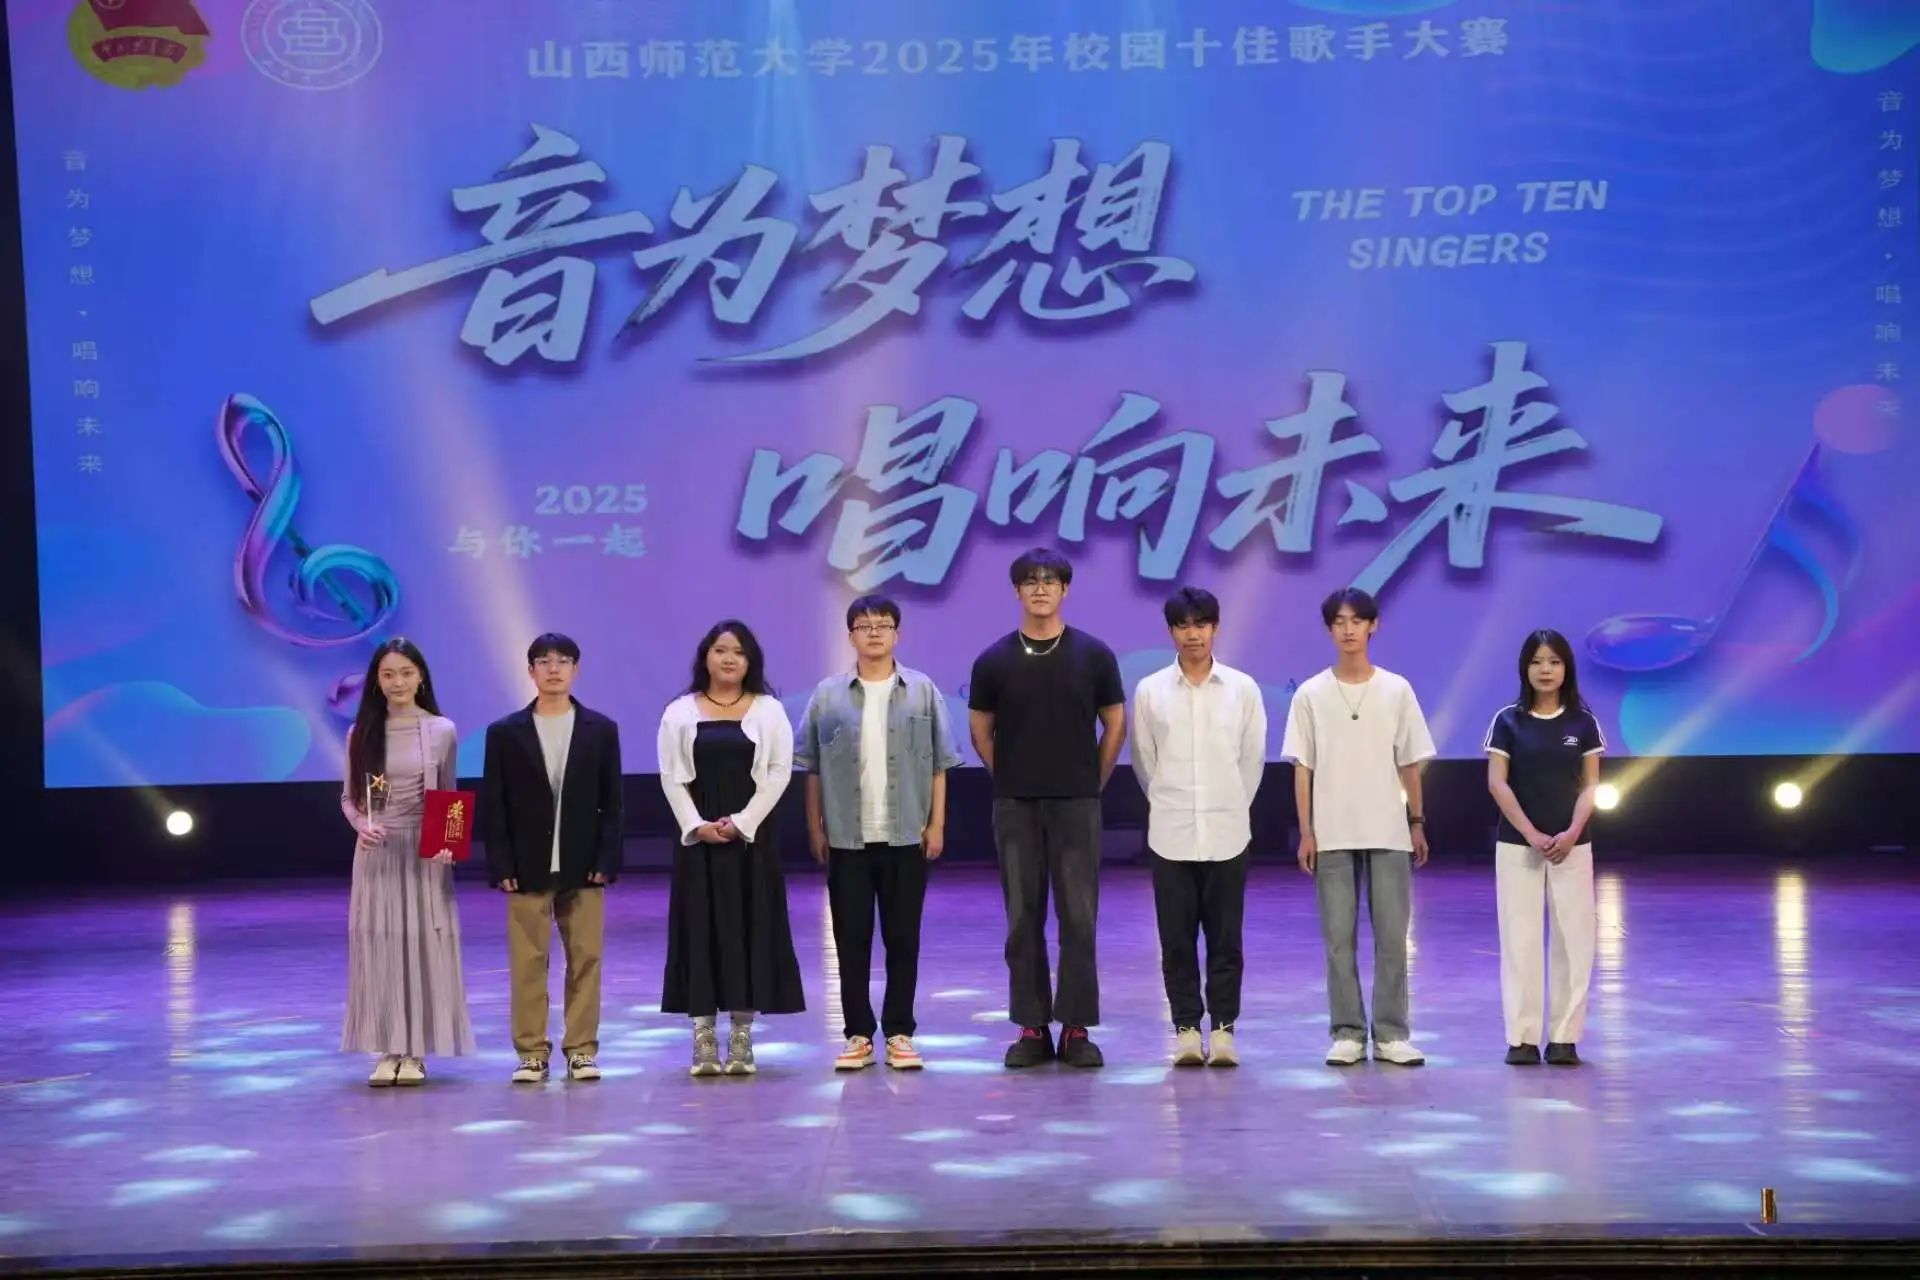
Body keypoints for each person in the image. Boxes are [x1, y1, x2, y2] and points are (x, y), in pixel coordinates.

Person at [968, 548, 1127, 1069]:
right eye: (1030, 581)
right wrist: (1010, 776)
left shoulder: (1093, 654)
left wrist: (1091, 781)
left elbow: (1115, 723)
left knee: (1079, 917)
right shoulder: (993, 659)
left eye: (1050, 580)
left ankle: (1076, 1027)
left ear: (1065, 589)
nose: (1040, 588)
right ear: (1017, 591)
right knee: (1022, 917)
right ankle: (1031, 1026)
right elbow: (980, 729)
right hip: (1015, 805)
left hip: (1077, 804)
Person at [797, 594, 961, 1072]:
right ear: (850, 635)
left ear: (897, 634)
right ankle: (857, 1034)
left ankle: (900, 1032)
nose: (874, 632)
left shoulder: (921, 690)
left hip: (906, 834)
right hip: (846, 837)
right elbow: (811, 767)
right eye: (864, 625)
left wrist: (937, 824)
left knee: (903, 939)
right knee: (850, 940)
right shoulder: (827, 694)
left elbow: (940, 763)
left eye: (883, 624)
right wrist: (814, 827)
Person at [1282, 587, 1435, 1068]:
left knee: (1392, 937)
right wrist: (1306, 830)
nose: (1348, 629)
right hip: (1332, 833)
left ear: (1374, 625)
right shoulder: (1310, 693)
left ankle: (1391, 1033)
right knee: (1338, 938)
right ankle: (1347, 1031)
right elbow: (1302, 768)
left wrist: (1416, 821)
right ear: (1329, 629)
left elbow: (1410, 762)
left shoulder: (1396, 689)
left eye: (1357, 620)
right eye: (1339, 621)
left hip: (1388, 830)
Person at [658, 620, 805, 1076]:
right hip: (698, 842)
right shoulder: (679, 711)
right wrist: (695, 825)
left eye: (738, 652)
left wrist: (742, 822)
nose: (728, 658)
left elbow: (779, 772)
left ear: (750, 661)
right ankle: (703, 1036)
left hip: (750, 842)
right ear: (706, 656)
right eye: (720, 650)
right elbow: (671, 776)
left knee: (750, 929)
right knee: (699, 930)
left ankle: (742, 1035)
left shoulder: (769, 709)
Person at [1131, 587, 1266, 1069]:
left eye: (1202, 624)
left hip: (1228, 832)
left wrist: (1228, 806)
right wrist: (1171, 802)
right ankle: (1187, 1028)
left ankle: (1224, 1029)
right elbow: (1144, 761)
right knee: (1176, 940)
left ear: (1215, 628)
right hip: (1171, 834)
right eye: (1184, 625)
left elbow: (1251, 761)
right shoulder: (1150, 691)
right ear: (1171, 631)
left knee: (1227, 940)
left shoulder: (1242, 689)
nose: (1193, 634)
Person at [482, 633, 624, 1085]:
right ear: (531, 671)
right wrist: (501, 864)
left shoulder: (600, 729)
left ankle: (581, 1050)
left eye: (563, 661)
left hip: (584, 866)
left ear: (576, 669)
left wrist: (607, 858)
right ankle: (531, 1052)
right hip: (527, 866)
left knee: (586, 959)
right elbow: (495, 804)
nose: (554, 669)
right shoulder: (505, 732)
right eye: (544, 661)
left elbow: (612, 802)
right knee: (528, 962)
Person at [340, 637, 475, 1086]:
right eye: (388, 674)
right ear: (376, 682)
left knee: (422, 943)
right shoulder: (362, 733)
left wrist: (449, 843)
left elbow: (450, 795)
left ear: (420, 678)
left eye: (405, 673)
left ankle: (415, 1051)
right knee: (379, 943)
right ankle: (387, 1048)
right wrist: (361, 824)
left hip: (424, 852)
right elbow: (350, 798)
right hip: (377, 851)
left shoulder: (440, 729)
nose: (397, 682)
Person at [1484, 628, 1604, 1067]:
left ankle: (1564, 1038)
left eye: (1554, 661)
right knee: (1520, 940)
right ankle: (1522, 1038)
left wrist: (1571, 832)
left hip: (1573, 847)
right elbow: (1497, 783)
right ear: (1525, 669)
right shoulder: (1507, 721)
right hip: (1519, 847)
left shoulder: (1583, 723)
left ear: (1566, 668)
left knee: (1574, 939)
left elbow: (1590, 786)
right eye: (1537, 662)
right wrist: (1531, 833)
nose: (1546, 670)